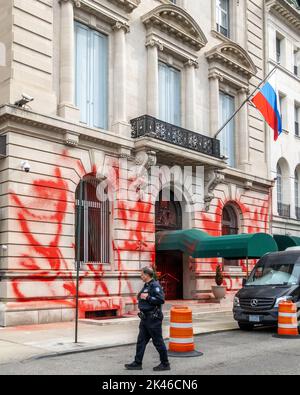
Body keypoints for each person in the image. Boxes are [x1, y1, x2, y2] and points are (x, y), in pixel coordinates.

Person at [125, 266, 170, 372]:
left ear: (147, 275)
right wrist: (140, 297)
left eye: (142, 274)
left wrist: (147, 297)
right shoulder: (146, 285)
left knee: (158, 342)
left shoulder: (155, 285)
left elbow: (160, 299)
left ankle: (165, 363)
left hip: (153, 319)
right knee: (141, 341)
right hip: (145, 318)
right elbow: (142, 296)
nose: (141, 276)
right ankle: (137, 363)